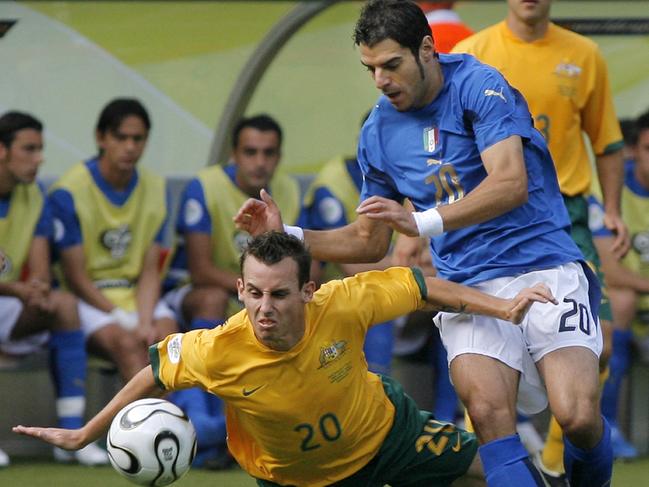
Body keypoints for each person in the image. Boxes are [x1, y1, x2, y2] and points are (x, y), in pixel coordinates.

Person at [234, 2, 613, 486]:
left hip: (544, 264)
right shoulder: (378, 131)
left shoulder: (480, 86)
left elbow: (510, 182)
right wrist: (288, 233)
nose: (381, 80)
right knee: (489, 416)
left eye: (392, 65)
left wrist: (423, 222)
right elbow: (369, 241)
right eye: (370, 69)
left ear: (427, 51)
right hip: (468, 286)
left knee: (577, 416)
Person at [13, 231, 557, 486]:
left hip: (389, 437)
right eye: (253, 293)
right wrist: (86, 432)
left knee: (507, 474)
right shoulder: (218, 347)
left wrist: (505, 305)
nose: (263, 309)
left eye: (278, 294)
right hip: (293, 481)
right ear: (240, 289)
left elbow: (423, 285)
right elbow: (153, 370)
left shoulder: (342, 303)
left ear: (308, 290)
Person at [452, 0, 629, 474]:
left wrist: (611, 209)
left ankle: (555, 462)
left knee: (604, 344)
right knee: (487, 362)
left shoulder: (584, 54)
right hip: (493, 219)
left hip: (564, 214)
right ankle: (494, 456)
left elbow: (606, 141)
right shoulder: (473, 51)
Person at [162, 114, 304, 467]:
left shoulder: (286, 190)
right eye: (251, 152)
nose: (260, 162)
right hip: (194, 295)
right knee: (216, 299)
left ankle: (239, 433)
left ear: (279, 156)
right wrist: (257, 293)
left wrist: (261, 296)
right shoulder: (205, 186)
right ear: (234, 154)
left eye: (269, 153)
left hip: (250, 297)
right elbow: (201, 271)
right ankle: (205, 426)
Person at [0, 111, 106, 466]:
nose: (39, 159)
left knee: (63, 304)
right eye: (29, 149)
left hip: (7, 300)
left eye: (40, 149)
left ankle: (70, 437)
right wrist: (18, 290)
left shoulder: (35, 196)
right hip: (7, 295)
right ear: (2, 151)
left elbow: (40, 270)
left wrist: (38, 290)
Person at [49, 98, 178, 382]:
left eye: (138, 138)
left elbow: (149, 269)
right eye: (121, 137)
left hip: (136, 293)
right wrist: (124, 319)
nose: (130, 147)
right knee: (127, 344)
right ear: (101, 137)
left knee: (171, 343)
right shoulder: (69, 192)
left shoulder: (156, 188)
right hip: (90, 299)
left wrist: (144, 321)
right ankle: (145, 426)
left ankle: (179, 421)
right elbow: (76, 278)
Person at [302, 112, 395, 375]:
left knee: (452, 298)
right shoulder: (333, 183)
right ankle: (380, 398)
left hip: (393, 277)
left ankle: (453, 412)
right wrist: (408, 265)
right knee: (379, 301)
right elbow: (352, 267)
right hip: (337, 288)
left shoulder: (411, 175)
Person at [588, 110, 649, 460]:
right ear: (636, 150)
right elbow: (609, 272)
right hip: (631, 302)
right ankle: (607, 425)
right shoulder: (611, 192)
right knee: (620, 300)